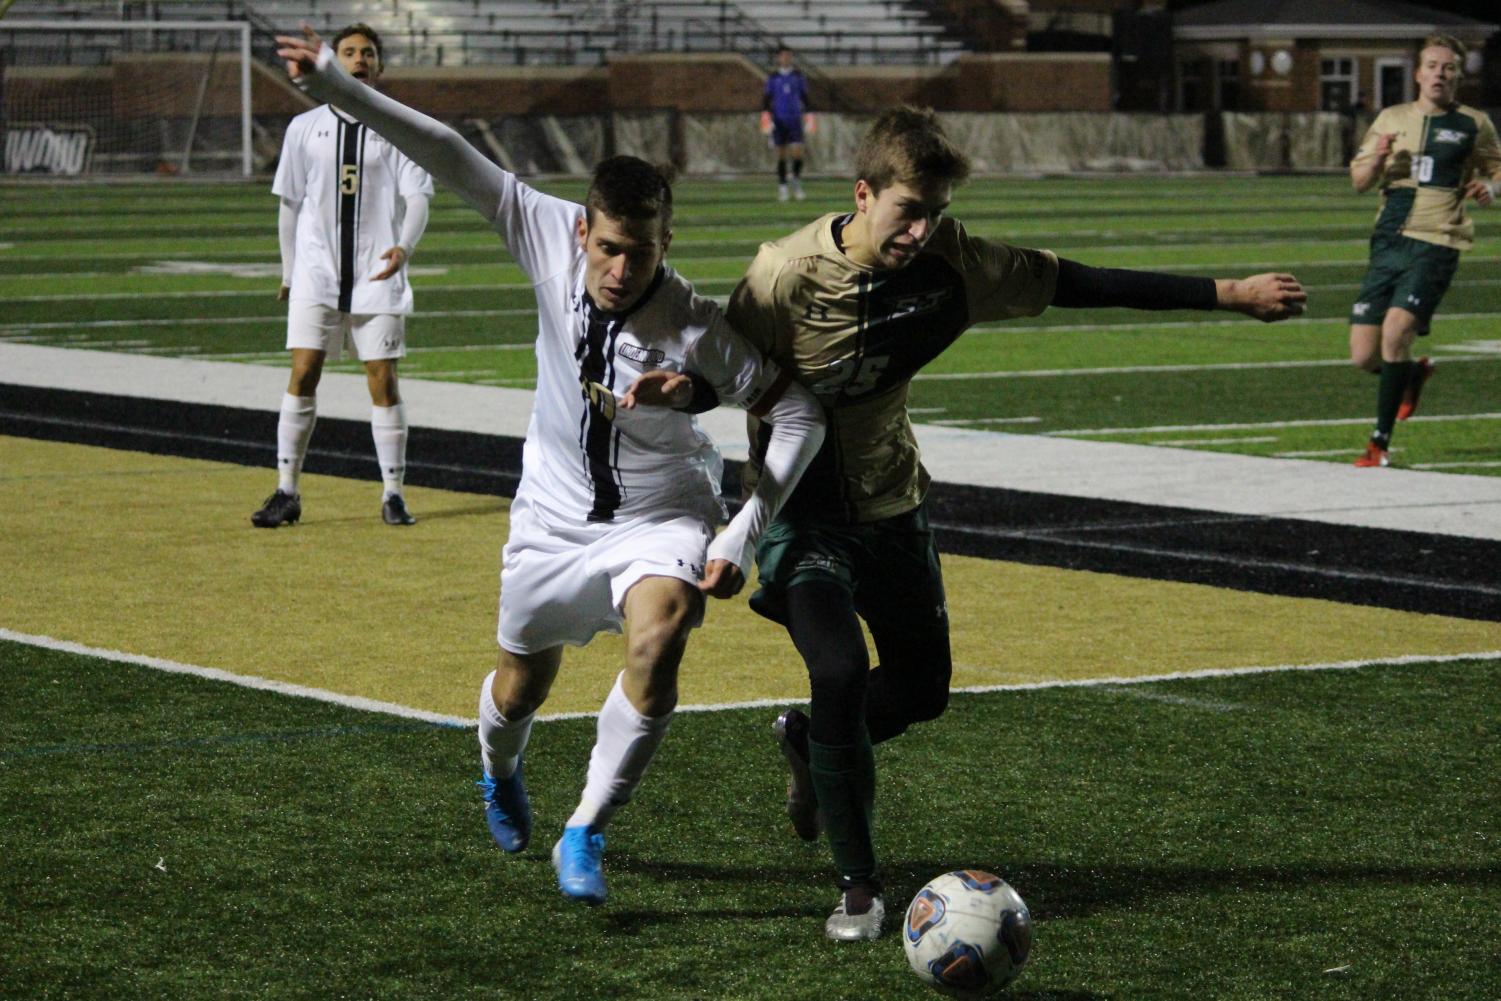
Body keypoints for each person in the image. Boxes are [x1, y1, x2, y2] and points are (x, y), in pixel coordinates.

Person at [724, 106, 1307, 941]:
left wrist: (1230, 294)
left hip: (893, 507)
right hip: (802, 521)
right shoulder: (782, 274)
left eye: (937, 213)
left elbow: (1074, 280)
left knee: (922, 693)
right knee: (841, 668)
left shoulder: (956, 264)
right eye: (907, 212)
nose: (923, 230)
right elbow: (713, 370)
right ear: (862, 194)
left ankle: (809, 742)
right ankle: (858, 887)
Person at [275, 27, 826, 906]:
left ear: (666, 239)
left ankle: (587, 827)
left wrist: (742, 526)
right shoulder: (544, 232)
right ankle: (499, 766)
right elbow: (449, 150)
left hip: (661, 515)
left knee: (663, 628)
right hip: (548, 516)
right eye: (606, 247)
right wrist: (340, 87)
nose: (617, 268)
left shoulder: (693, 324)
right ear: (584, 228)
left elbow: (798, 410)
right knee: (519, 683)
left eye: (639, 252)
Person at [254, 23, 434, 529]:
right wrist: (290, 271)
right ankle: (287, 490)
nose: (359, 59)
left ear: (379, 65)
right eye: (349, 51)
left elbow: (417, 197)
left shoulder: (399, 127)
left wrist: (405, 247)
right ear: (335, 61)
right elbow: (289, 205)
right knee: (303, 372)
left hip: (378, 273)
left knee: (383, 380)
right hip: (317, 271)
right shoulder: (303, 128)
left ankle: (393, 494)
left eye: (368, 53)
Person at [1346, 34, 1501, 468]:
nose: (1439, 73)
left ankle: (1378, 445)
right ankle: (1412, 374)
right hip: (1388, 241)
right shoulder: (1391, 118)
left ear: (1458, 75)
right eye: (1431, 65)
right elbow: (1359, 182)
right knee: (1363, 356)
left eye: (1448, 67)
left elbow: (1498, 169)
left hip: (1437, 240)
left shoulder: (1474, 123)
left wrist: (1489, 187)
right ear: (1417, 73)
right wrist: (1376, 160)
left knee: (1396, 332)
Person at [761, 46, 811, 202]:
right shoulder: (773, 78)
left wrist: (809, 117)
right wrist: (766, 118)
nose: (786, 59)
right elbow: (766, 99)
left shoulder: (798, 76)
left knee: (798, 153)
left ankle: (796, 182)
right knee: (781, 154)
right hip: (779, 120)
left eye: (789, 56)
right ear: (778, 58)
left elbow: (805, 98)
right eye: (783, 56)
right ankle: (782, 186)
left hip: (795, 120)